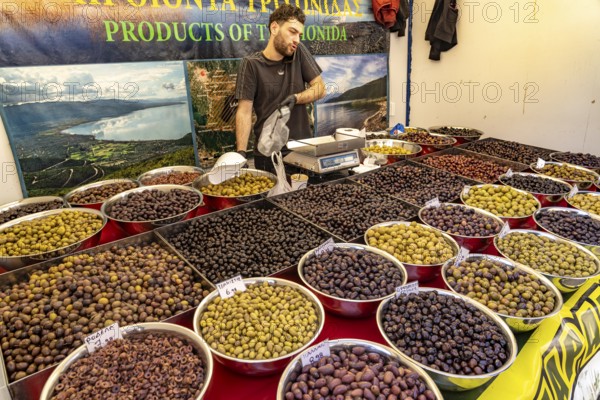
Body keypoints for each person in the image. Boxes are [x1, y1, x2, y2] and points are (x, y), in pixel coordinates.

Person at [234, 4, 325, 172]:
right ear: (274, 27)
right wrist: (240, 153)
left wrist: (296, 98)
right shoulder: (251, 65)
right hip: (268, 155)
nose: (297, 39)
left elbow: (320, 88)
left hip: (302, 151)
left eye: (299, 34)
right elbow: (244, 111)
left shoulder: (299, 52)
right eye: (292, 31)